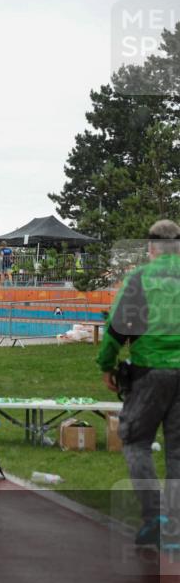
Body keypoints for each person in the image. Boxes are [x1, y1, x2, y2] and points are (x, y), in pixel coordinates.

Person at [98, 219, 180, 548]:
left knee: (135, 440)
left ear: (150, 249)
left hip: (150, 371)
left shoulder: (140, 279)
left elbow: (117, 329)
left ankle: (155, 518)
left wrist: (107, 365)